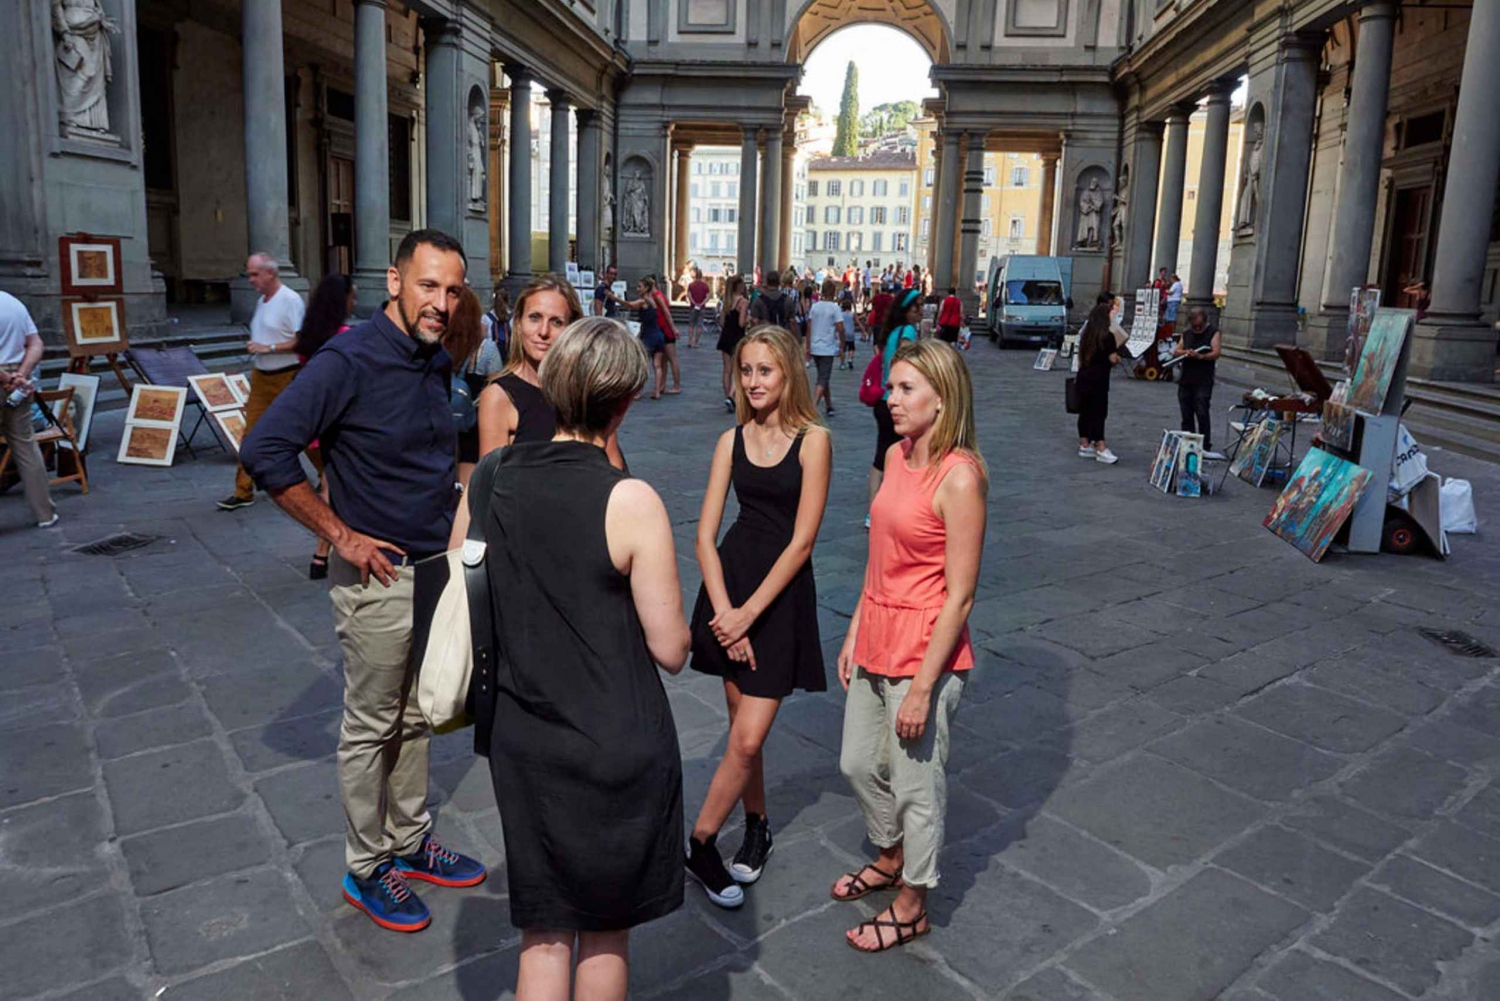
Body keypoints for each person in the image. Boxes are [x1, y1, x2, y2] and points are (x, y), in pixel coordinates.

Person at [240, 229, 487, 934]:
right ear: (395, 280)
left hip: (431, 569)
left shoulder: (431, 360)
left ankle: (407, 842)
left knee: (417, 715)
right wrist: (339, 534)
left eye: (452, 289)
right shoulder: (348, 358)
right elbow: (264, 448)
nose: (441, 302)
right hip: (376, 579)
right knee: (372, 723)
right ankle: (366, 864)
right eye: (428, 285)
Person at [465, 317, 690, 999]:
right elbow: (671, 648)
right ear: (623, 403)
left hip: (522, 737)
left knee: (543, 932)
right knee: (604, 929)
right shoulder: (630, 500)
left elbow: (463, 574)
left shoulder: (492, 477)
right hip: (613, 741)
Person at [833, 338, 987, 953]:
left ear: (941, 398)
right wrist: (852, 630)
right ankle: (891, 853)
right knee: (855, 762)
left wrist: (924, 687)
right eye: (891, 387)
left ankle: (913, 902)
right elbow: (881, 559)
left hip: (926, 649)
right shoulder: (899, 456)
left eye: (904, 390)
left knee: (916, 786)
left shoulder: (961, 477)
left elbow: (961, 596)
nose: (888, 398)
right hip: (876, 630)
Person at [684, 325, 831, 909]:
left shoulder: (814, 440)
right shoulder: (731, 440)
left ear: (788, 371)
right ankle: (759, 825)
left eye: (765, 370)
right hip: (731, 588)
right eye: (746, 370)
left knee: (746, 739)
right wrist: (725, 613)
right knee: (744, 731)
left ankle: (698, 844)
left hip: (776, 598)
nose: (754, 381)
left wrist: (747, 615)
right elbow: (702, 534)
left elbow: (802, 543)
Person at [473, 274, 626, 471]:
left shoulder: (586, 390)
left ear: (571, 328)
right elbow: (489, 486)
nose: (543, 331)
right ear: (518, 323)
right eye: (534, 318)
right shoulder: (499, 397)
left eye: (556, 322)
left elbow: (613, 470)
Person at [218, 252, 305, 512]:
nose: (251, 279)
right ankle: (243, 491)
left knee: (307, 432)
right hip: (261, 376)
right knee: (251, 434)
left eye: (255, 274)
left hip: (287, 375)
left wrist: (269, 347)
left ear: (270, 273)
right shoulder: (261, 301)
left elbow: (303, 340)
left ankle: (328, 476)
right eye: (249, 274)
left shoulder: (290, 299)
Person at [293, 273, 356, 579]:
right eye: (352, 295)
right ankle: (322, 554)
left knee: (328, 483)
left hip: (311, 425)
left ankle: (321, 556)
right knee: (331, 488)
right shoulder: (345, 336)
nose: (354, 301)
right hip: (335, 423)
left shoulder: (308, 335)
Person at [0, 291, 58, 529]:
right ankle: (44, 513)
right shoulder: (13, 302)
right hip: (17, 378)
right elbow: (36, 343)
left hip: (7, 377)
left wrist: (5, 378)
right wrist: (21, 375)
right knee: (25, 445)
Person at [866, 289, 922, 529]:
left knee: (881, 458)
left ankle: (872, 512)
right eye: (916, 307)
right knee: (904, 455)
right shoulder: (908, 332)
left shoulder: (891, 332)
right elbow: (911, 364)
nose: (920, 311)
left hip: (883, 401)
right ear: (906, 310)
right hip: (900, 400)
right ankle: (896, 507)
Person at [445, 286, 504, 488]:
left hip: (443, 427)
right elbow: (497, 389)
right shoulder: (486, 349)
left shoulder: (439, 345)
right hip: (475, 430)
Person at [1074, 301, 1121, 464]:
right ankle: (1100, 445)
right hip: (1099, 379)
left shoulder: (1086, 333)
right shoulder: (1108, 337)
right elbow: (1113, 358)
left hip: (1084, 376)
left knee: (1085, 411)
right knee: (1099, 412)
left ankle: (1084, 443)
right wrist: (1117, 359)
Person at [1174, 306, 1222, 457]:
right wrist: (1186, 353)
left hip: (1203, 378)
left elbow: (1216, 352)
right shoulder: (1187, 333)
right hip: (1186, 377)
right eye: (1194, 326)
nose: (1197, 328)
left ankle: (1204, 444)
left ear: (1205, 322)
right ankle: (1188, 443)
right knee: (1186, 412)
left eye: (1200, 326)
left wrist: (1201, 356)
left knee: (1202, 411)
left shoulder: (1213, 332)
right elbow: (1176, 350)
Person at [619, 276, 672, 400]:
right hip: (658, 335)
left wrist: (613, 296)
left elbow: (629, 305)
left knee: (642, 366)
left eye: (640, 287)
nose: (637, 289)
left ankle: (638, 392)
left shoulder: (643, 302)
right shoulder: (654, 300)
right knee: (657, 365)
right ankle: (657, 392)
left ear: (646, 288)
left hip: (648, 336)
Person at [805, 279, 846, 417]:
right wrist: (842, 345)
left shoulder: (815, 306)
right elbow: (840, 329)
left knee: (823, 375)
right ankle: (812, 407)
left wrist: (807, 346)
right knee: (823, 378)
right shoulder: (835, 308)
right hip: (827, 348)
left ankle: (829, 405)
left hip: (815, 346)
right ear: (833, 292)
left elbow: (809, 326)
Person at [717, 275, 750, 411]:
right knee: (738, 370)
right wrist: (749, 318)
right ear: (739, 286)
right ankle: (731, 396)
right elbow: (741, 323)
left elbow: (722, 322)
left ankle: (727, 396)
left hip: (725, 336)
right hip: (737, 337)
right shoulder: (743, 302)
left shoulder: (727, 300)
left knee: (727, 370)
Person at [687, 269, 711, 348]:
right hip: (702, 308)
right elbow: (708, 296)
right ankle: (696, 342)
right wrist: (702, 303)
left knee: (691, 325)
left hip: (693, 307)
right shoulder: (705, 285)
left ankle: (690, 341)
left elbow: (689, 295)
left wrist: (694, 302)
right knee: (699, 325)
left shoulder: (691, 285)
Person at [483, 288, 511, 356]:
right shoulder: (512, 318)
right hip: (509, 357)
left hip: (491, 357)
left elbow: (483, 342)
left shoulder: (486, 318)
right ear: (507, 301)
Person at [839, 293, 859, 370]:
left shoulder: (841, 314)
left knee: (843, 348)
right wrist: (863, 331)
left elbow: (838, 323)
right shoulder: (852, 314)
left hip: (843, 333)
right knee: (851, 348)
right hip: (851, 334)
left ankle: (842, 363)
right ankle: (850, 359)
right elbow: (858, 322)